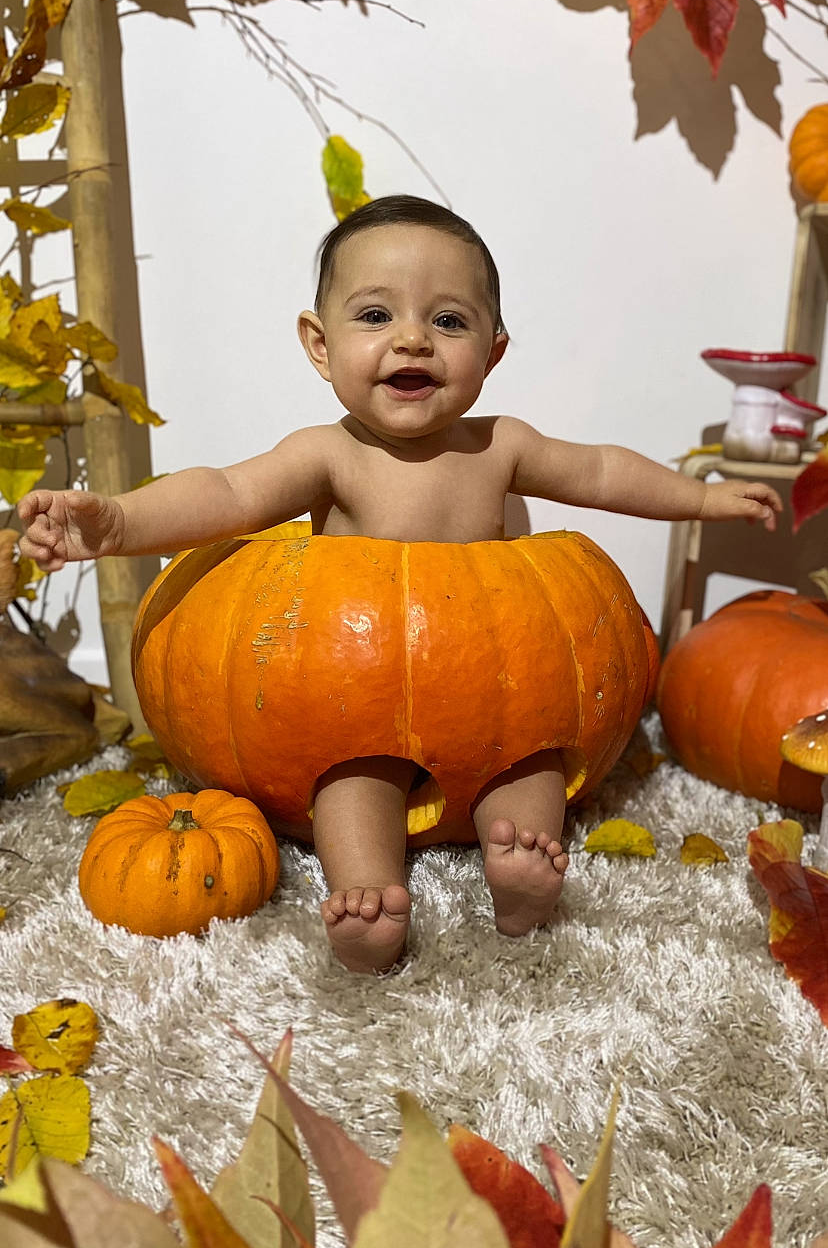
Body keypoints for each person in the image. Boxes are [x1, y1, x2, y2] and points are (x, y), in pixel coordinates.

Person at [17, 196, 784, 973]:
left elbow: (602, 471)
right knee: (351, 783)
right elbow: (224, 494)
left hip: (498, 694)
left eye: (449, 322)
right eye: (376, 315)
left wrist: (704, 496)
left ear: (493, 351)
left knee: (534, 767)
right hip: (363, 704)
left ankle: (520, 870)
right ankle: (367, 895)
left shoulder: (502, 446)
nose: (412, 338)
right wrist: (115, 523)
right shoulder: (328, 456)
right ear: (320, 345)